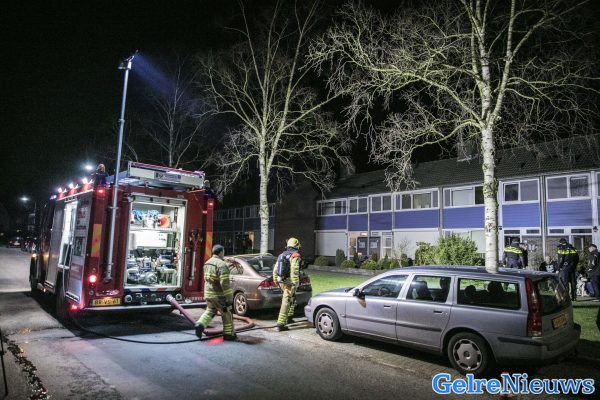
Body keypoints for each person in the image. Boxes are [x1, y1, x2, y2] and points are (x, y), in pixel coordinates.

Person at [194, 244, 236, 340]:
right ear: (221, 252)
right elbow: (224, 283)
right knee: (226, 314)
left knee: (210, 311)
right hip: (219, 296)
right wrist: (229, 298)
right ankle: (229, 335)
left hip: (208, 294)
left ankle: (199, 325)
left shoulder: (207, 263)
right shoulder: (221, 264)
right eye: (223, 252)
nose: (223, 254)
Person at [273, 237, 302, 332]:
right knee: (286, 302)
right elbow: (294, 270)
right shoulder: (295, 256)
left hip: (281, 281)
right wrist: (295, 283)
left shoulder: (281, 255)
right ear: (296, 246)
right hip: (289, 283)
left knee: (292, 299)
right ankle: (280, 324)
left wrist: (275, 279)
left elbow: (275, 269)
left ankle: (289, 317)